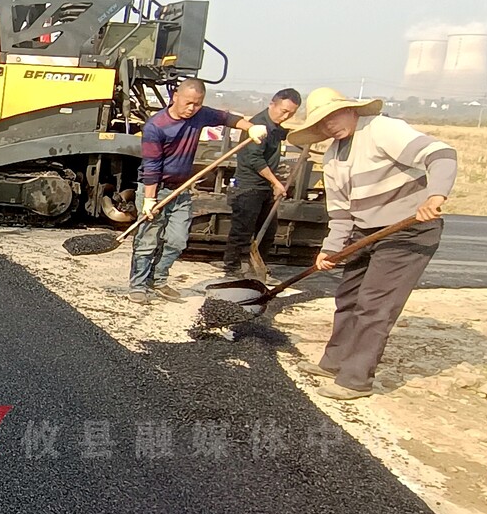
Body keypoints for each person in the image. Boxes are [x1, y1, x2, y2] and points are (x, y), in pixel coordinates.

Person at [286, 88, 456, 400]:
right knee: (348, 297)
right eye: (322, 123)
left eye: (333, 116)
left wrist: (435, 195)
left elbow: (441, 154)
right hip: (365, 232)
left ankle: (356, 380)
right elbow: (341, 213)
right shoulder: (332, 157)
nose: (329, 125)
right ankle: (334, 362)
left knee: (375, 305)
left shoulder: (381, 130)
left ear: (352, 110)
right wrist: (330, 249)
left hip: (408, 230)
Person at [129, 78, 261, 303]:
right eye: (188, 103)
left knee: (178, 240)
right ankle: (138, 285)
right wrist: (149, 200)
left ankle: (158, 280)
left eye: (197, 104)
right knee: (147, 241)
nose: (192, 108)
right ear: (175, 97)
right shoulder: (156, 126)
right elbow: (151, 166)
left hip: (181, 191)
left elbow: (227, 118)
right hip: (156, 189)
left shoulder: (200, 115)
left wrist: (250, 127)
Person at [221, 87, 303, 276]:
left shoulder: (275, 127)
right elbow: (255, 160)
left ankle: (257, 267)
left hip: (265, 187)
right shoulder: (258, 126)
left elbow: (285, 134)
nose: (286, 116)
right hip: (248, 187)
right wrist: (276, 182)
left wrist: (308, 136)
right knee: (242, 230)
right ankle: (232, 268)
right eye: (284, 111)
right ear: (272, 104)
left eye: (291, 114)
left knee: (267, 232)